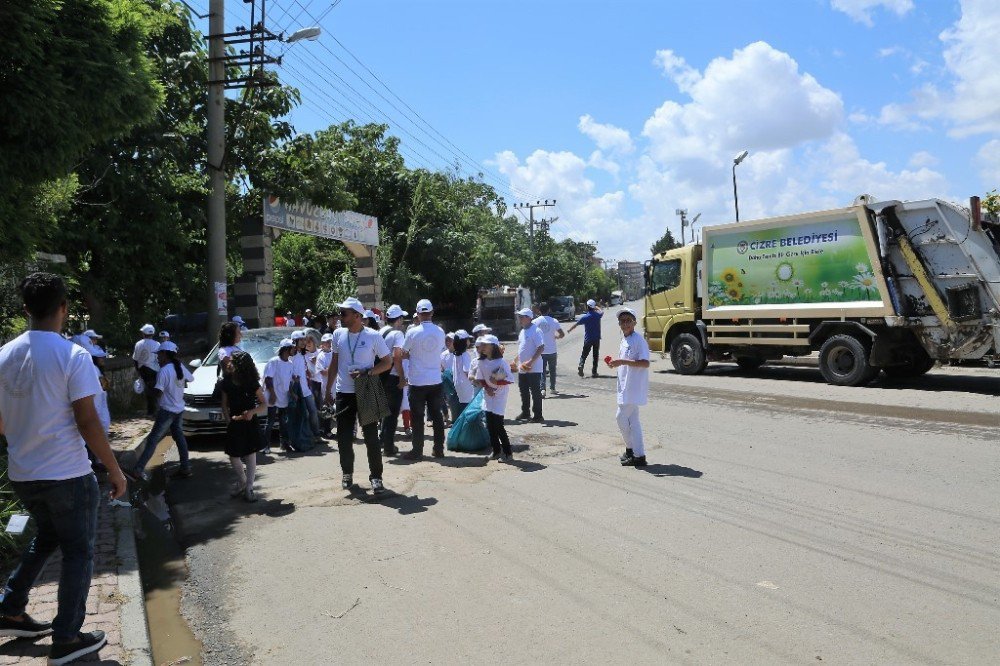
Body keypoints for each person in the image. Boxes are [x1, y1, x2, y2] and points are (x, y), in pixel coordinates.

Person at [0, 272, 126, 664]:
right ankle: (68, 638)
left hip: (24, 473)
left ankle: (10, 607)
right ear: (64, 308)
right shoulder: (73, 355)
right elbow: (88, 422)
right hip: (67, 475)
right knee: (78, 552)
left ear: (25, 310)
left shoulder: (4, 355)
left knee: (47, 537)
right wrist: (116, 471)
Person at [327, 297, 393, 493]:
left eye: (344, 313)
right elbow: (334, 363)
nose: (340, 317)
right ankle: (347, 473)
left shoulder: (373, 335)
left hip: (367, 388)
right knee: (344, 438)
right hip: (343, 392)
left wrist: (368, 372)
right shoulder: (338, 334)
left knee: (371, 438)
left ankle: (376, 477)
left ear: (357, 316)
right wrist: (327, 391)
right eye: (340, 313)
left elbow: (387, 362)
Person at [131, 341, 193, 478]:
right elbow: (191, 379)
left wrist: (146, 388)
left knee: (153, 440)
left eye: (158, 355)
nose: (157, 358)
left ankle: (138, 469)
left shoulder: (164, 371)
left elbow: (158, 393)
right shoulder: (179, 366)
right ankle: (185, 467)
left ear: (165, 354)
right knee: (179, 437)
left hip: (167, 411)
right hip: (179, 409)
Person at [402, 299, 447, 459]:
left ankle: (417, 450)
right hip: (435, 380)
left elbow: (404, 352)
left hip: (417, 381)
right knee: (437, 416)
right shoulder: (440, 332)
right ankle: (439, 449)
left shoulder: (412, 332)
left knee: (417, 417)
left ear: (418, 314)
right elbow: (440, 350)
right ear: (432, 313)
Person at [221, 351, 267, 501]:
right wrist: (229, 421)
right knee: (233, 455)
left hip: (249, 422)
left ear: (241, 366)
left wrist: (252, 412)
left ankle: (249, 488)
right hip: (234, 423)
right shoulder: (226, 381)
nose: (229, 363)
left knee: (250, 454)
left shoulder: (252, 382)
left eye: (233, 361)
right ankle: (242, 481)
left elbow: (264, 404)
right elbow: (224, 404)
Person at [609, 308, 650, 467]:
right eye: (622, 321)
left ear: (634, 322)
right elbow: (625, 362)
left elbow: (645, 363)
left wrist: (622, 362)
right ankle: (639, 456)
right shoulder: (625, 339)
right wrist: (616, 363)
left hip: (633, 388)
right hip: (625, 386)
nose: (625, 323)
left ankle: (630, 449)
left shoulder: (639, 340)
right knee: (634, 422)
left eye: (628, 320)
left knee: (620, 418)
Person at [476, 335, 515, 461]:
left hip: (500, 395)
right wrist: (487, 388)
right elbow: (481, 379)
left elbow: (510, 379)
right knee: (490, 425)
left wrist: (496, 383)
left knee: (498, 425)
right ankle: (496, 451)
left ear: (493, 347)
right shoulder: (481, 362)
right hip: (488, 395)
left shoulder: (501, 362)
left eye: (485, 345)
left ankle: (508, 453)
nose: (482, 347)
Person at [378, 305, 408, 456]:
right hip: (393, 377)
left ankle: (383, 440)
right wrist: (402, 377)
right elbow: (397, 357)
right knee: (392, 413)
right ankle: (388, 447)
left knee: (385, 412)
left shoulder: (381, 331)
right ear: (399, 319)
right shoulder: (397, 334)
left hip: (380, 376)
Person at [263, 339, 295, 453]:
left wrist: (292, 393)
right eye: (292, 347)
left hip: (284, 397)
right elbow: (268, 378)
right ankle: (265, 445)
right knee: (270, 421)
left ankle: (284, 444)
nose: (293, 349)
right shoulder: (274, 361)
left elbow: (289, 381)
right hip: (273, 396)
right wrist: (272, 394)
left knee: (284, 422)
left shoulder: (291, 364)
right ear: (286, 349)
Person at [515, 308, 545, 422]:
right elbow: (521, 349)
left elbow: (541, 347)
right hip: (523, 367)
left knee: (535, 391)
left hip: (534, 367)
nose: (520, 319)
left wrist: (531, 362)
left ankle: (538, 415)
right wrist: (515, 361)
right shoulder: (522, 331)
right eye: (519, 317)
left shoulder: (536, 330)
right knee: (523, 390)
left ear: (529, 317)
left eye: (522, 317)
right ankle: (525, 412)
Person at [290, 330, 320, 441]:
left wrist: (306, 371)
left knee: (313, 412)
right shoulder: (290, 356)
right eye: (301, 340)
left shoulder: (303, 354)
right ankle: (305, 437)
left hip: (306, 390)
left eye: (304, 339)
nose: (303, 342)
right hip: (297, 391)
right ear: (294, 341)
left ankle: (317, 435)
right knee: (303, 415)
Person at [533, 303, 565, 396]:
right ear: (549, 310)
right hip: (552, 350)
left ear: (539, 310)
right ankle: (553, 388)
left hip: (540, 351)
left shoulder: (535, 322)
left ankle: (542, 389)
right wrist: (556, 337)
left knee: (541, 370)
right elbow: (562, 334)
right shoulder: (554, 321)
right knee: (552, 370)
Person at [567, 298, 604, 378]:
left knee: (584, 355)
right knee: (595, 356)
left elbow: (576, 324)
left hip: (588, 339)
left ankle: (581, 365)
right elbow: (602, 311)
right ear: (593, 307)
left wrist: (569, 330)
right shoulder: (597, 315)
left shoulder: (585, 317)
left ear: (587, 307)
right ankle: (594, 372)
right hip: (596, 339)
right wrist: (596, 307)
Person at [132, 323, 160, 416]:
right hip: (154, 369)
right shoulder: (157, 344)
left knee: (148, 390)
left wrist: (138, 370)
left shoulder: (139, 344)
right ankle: (153, 410)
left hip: (143, 369)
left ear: (144, 333)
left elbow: (135, 359)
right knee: (153, 390)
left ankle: (151, 411)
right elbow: (159, 358)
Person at [450, 330, 475, 414]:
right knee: (468, 407)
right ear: (464, 341)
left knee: (463, 405)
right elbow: (467, 372)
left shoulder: (455, 355)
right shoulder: (465, 355)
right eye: (468, 339)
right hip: (466, 384)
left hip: (458, 384)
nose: (469, 341)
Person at [315, 333, 334, 438]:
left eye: (331, 341)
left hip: (336, 385)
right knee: (327, 407)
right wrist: (333, 369)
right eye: (327, 342)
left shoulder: (334, 353)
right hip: (326, 386)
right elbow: (323, 372)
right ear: (322, 344)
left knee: (334, 408)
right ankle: (326, 430)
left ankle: (330, 429)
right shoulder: (321, 356)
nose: (329, 344)